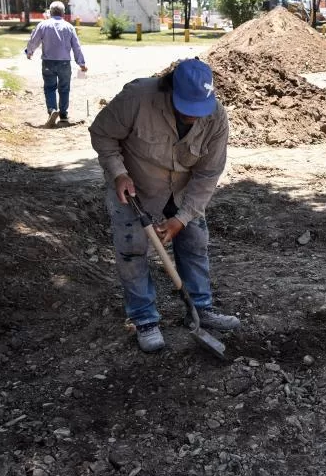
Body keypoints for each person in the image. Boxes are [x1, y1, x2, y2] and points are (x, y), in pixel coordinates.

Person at [89, 58, 240, 353]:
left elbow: (208, 174)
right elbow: (102, 134)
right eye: (187, 109)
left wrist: (181, 219)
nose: (193, 118)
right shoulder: (137, 99)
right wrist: (118, 173)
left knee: (195, 244)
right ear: (170, 89)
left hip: (182, 192)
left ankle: (200, 310)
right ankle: (144, 319)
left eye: (199, 111)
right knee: (132, 253)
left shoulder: (216, 118)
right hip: (135, 188)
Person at [24, 1, 87, 127]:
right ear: (63, 13)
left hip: (48, 62)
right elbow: (76, 46)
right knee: (64, 89)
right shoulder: (69, 27)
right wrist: (81, 63)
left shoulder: (43, 25)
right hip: (64, 63)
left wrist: (29, 52)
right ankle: (63, 115)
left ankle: (52, 110)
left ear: (50, 12)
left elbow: (34, 39)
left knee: (49, 87)